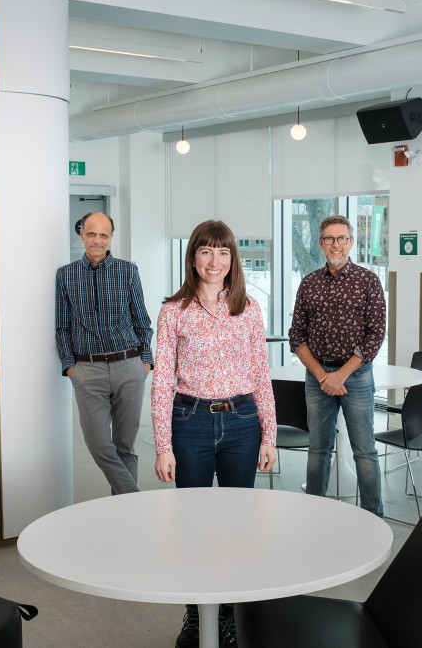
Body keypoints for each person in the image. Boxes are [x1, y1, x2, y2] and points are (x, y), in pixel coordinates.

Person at [151, 220, 278, 648]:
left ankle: (229, 615)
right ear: (193, 257)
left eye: (223, 252)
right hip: (191, 422)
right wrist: (163, 445)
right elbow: (163, 380)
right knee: (193, 526)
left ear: (232, 260)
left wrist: (269, 436)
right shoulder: (174, 311)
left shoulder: (249, 308)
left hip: (243, 422)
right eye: (206, 251)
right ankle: (195, 615)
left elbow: (262, 376)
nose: (214, 261)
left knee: (237, 526)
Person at [288, 214, 387, 516]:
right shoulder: (309, 283)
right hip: (317, 377)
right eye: (329, 238)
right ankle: (315, 513)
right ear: (320, 243)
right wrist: (322, 375)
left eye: (341, 238)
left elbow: (376, 334)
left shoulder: (368, 281)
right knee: (318, 450)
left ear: (351, 242)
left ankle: (374, 516)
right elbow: (296, 335)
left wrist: (341, 375)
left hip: (355, 377)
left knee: (365, 451)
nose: (335, 244)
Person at [55, 211, 153, 496]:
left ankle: (123, 515)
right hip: (88, 370)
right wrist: (70, 367)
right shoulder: (66, 275)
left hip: (129, 366)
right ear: (82, 234)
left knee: (125, 446)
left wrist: (145, 362)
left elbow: (142, 320)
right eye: (91, 233)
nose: (97, 240)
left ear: (111, 237)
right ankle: (133, 500)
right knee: (99, 445)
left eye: (104, 235)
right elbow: (62, 327)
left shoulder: (127, 271)